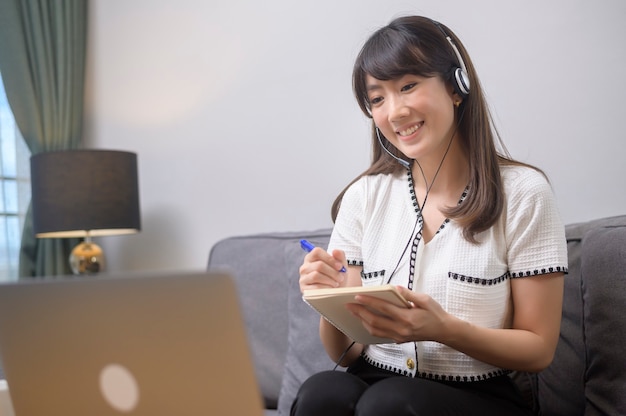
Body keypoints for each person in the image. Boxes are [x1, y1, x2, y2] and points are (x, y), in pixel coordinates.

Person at [293, 15, 567, 416]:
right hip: (376, 382)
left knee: (389, 404)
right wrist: (326, 299)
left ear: (457, 88)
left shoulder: (525, 193)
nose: (395, 111)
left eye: (408, 86)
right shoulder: (363, 196)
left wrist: (443, 329)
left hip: (478, 395)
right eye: (378, 99)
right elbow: (347, 352)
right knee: (322, 392)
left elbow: (539, 348)